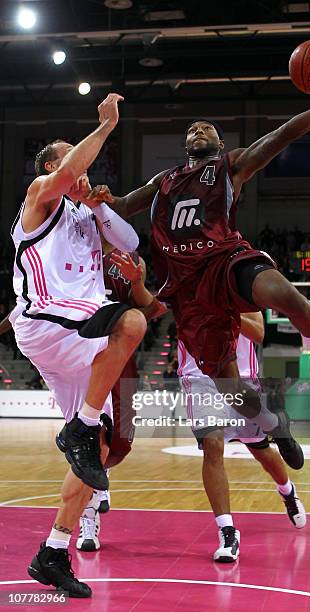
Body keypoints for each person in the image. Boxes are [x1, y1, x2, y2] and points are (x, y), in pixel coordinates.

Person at [86, 55, 310, 472]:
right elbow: (123, 206)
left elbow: (284, 133)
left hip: (225, 260)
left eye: (206, 127)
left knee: (289, 299)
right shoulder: (164, 181)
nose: (198, 129)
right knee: (232, 389)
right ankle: (275, 424)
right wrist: (104, 199)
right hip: (187, 287)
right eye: (192, 128)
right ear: (185, 145)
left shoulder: (231, 165)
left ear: (217, 141)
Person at [9, 94, 148, 598]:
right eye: (72, 159)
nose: (84, 169)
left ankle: (53, 551)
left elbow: (130, 245)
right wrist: (106, 128)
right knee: (130, 323)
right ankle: (81, 429)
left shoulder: (87, 217)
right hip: (48, 321)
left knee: (100, 451)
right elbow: (69, 172)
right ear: (52, 166)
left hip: (76, 339)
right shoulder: (39, 200)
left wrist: (101, 209)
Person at [178, 312, 306, 562]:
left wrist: (223, 309)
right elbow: (153, 306)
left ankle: (288, 492)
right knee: (212, 444)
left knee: (261, 451)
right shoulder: (184, 284)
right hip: (200, 379)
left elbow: (258, 332)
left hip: (242, 380)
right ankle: (227, 531)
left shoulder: (239, 285)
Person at [76, 246, 166, 551]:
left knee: (123, 441)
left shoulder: (129, 257)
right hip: (81, 350)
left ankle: (101, 474)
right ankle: (87, 519)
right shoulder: (70, 250)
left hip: (121, 353)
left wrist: (138, 284)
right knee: (89, 439)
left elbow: (150, 310)